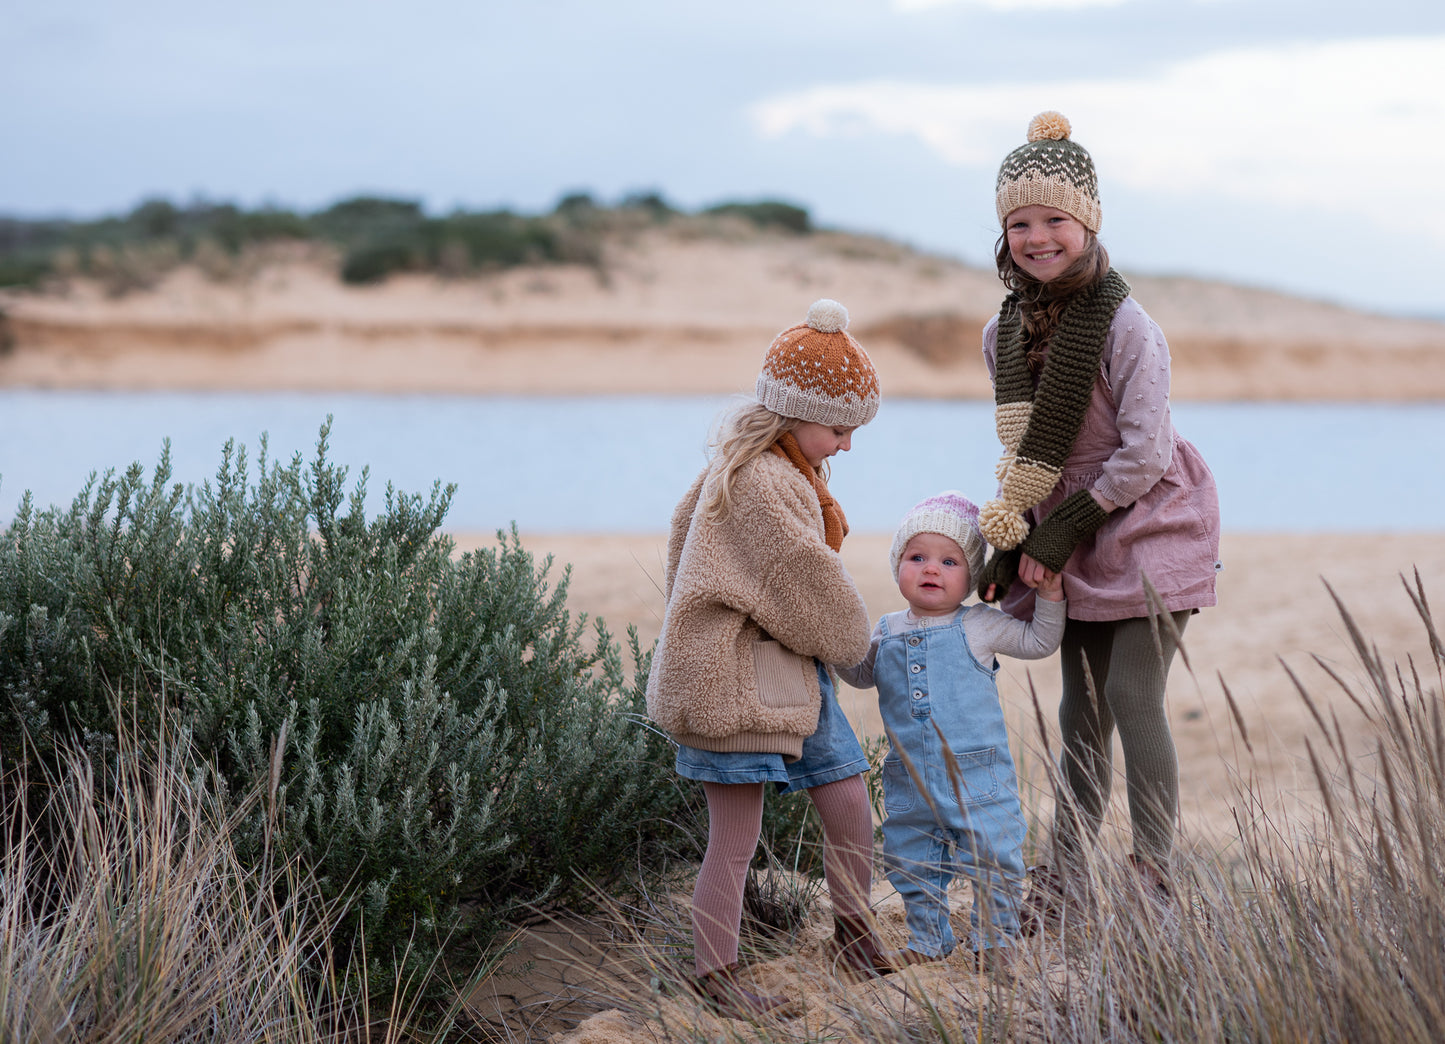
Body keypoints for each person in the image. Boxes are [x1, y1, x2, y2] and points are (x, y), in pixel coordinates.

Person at [974, 111, 1222, 925]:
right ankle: (1064, 876)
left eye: (1054, 219)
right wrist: (1009, 536)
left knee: (1130, 692)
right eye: (1019, 223)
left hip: (1148, 519)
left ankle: (1152, 879)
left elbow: (1144, 453)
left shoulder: (1126, 325)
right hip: (1066, 528)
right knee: (1079, 703)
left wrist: (1058, 530)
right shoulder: (1000, 332)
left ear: (1087, 222)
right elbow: (1021, 453)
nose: (1037, 237)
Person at [646, 298, 896, 1021]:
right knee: (735, 838)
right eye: (839, 430)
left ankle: (854, 934)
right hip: (733, 679)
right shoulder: (758, 480)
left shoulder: (781, 472)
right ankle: (715, 976)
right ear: (795, 414)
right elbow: (805, 580)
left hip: (790, 671)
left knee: (847, 796)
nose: (846, 446)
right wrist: (856, 648)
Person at [838, 492, 1064, 969]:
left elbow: (1039, 641)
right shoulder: (886, 629)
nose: (931, 569)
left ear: (972, 575)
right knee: (911, 861)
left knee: (994, 856)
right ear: (898, 565)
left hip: (977, 776)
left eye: (949, 561)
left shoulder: (978, 624)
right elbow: (859, 675)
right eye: (916, 557)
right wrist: (833, 638)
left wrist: (1049, 595)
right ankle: (927, 940)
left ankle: (995, 942)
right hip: (909, 776)